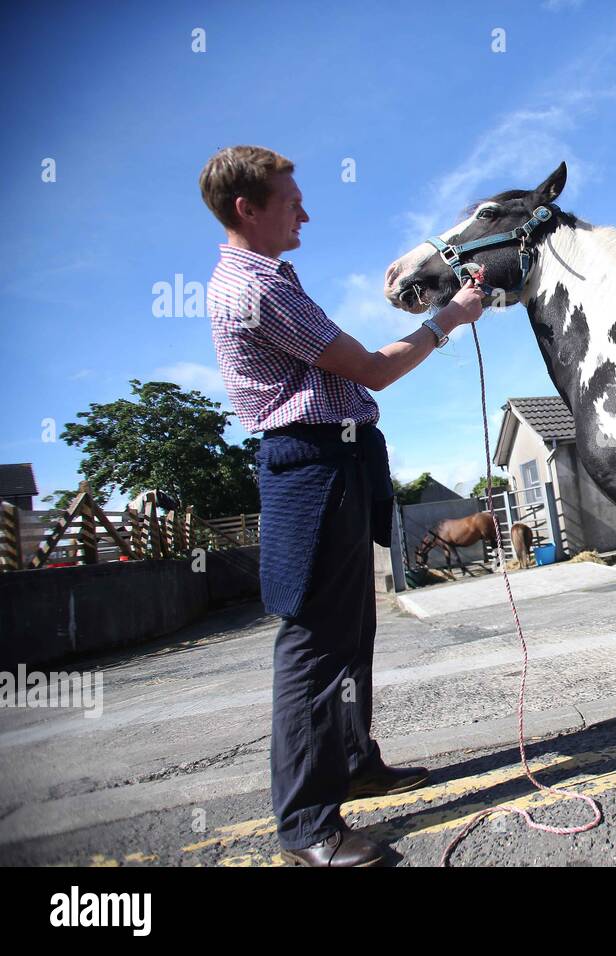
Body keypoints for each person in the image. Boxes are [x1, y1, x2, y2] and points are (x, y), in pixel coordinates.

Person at [199, 145, 485, 866]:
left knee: (351, 633)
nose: (305, 211)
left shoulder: (272, 278)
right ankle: (306, 827)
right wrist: (450, 316)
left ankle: (355, 760)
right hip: (312, 468)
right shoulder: (256, 289)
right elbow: (371, 370)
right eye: (292, 199)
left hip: (340, 461)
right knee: (313, 647)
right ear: (248, 208)